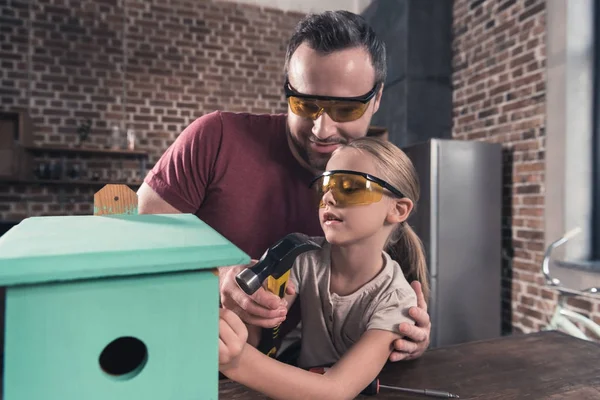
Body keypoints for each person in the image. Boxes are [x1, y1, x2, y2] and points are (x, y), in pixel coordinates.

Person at [137, 10, 431, 362]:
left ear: (377, 98)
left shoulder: (370, 182)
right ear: (287, 89)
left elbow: (366, 300)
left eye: (346, 110)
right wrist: (217, 276)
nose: (323, 130)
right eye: (305, 104)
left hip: (264, 369)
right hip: (164, 352)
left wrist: (404, 334)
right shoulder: (214, 138)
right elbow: (142, 239)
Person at [219, 137, 429, 400]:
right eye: (326, 185)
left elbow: (334, 391)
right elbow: (259, 331)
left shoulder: (397, 300)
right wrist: (237, 321)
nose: (328, 197)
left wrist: (235, 360)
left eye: (351, 187)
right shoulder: (303, 258)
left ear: (398, 209)